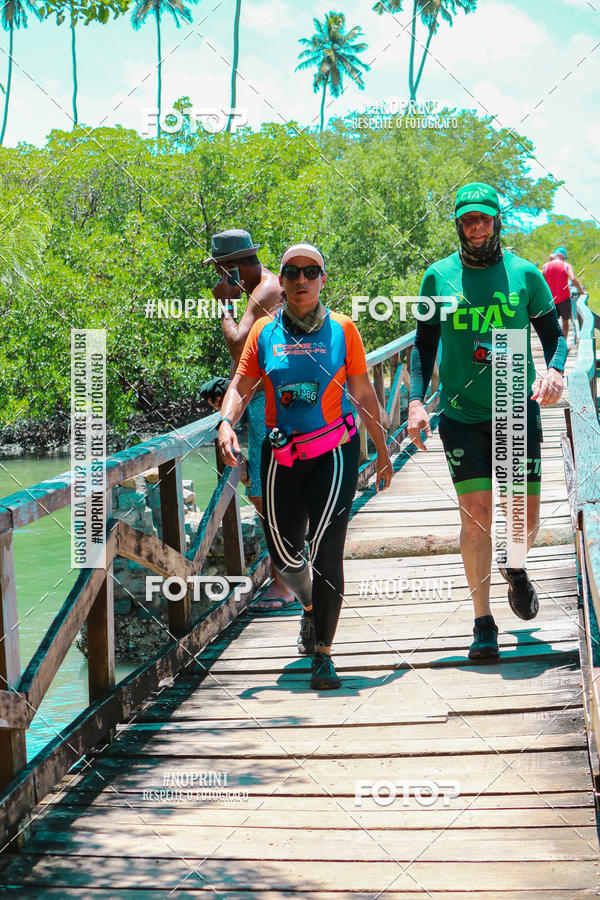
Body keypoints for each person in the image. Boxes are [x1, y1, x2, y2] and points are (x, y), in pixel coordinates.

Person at [216, 243, 393, 689]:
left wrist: (382, 449)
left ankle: (324, 654)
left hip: (335, 452)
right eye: (292, 273)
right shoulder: (264, 333)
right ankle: (310, 606)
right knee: (285, 554)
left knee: (328, 552)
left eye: (310, 272)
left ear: (322, 280)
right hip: (281, 456)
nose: (300, 281)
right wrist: (225, 423)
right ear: (282, 279)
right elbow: (240, 385)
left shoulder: (343, 331)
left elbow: (365, 394)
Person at [408, 183, 567, 661]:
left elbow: (554, 336)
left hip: (516, 410)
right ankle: (483, 623)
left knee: (524, 519)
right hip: (460, 413)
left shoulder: (524, 274)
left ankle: (514, 567)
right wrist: (416, 402)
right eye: (467, 220)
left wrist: (554, 370)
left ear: (497, 222)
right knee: (476, 516)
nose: (476, 228)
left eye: (484, 219)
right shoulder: (438, 276)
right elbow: (422, 346)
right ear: (459, 224)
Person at [206, 228, 294, 611]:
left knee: (266, 496)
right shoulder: (260, 290)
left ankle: (284, 585)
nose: (218, 279)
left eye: (221, 271)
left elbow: (238, 342)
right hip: (260, 403)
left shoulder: (266, 291)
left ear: (233, 269)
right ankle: (286, 578)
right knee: (263, 492)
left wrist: (223, 305)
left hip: (268, 406)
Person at [542, 247, 585, 342]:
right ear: (563, 256)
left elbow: (541, 282)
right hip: (564, 299)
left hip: (551, 300)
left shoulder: (546, 266)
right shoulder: (566, 265)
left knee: (552, 324)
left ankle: (554, 344)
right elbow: (573, 279)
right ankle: (563, 343)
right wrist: (581, 291)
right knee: (565, 323)